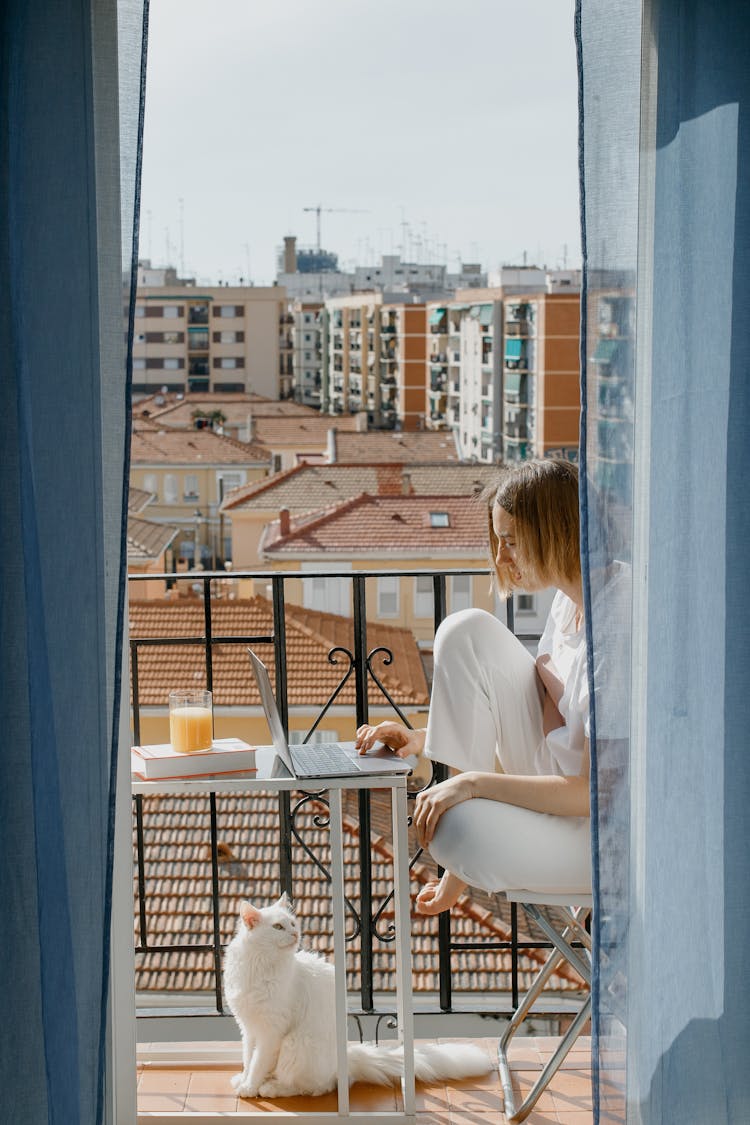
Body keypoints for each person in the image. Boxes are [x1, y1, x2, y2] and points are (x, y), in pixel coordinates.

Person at [355, 459, 593, 915]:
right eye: (500, 542)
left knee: (453, 829)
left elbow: (595, 795)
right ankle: (456, 860)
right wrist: (426, 741)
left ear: (557, 532)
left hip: (595, 829)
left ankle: (456, 862)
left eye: (513, 543)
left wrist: (473, 786)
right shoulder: (568, 605)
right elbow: (539, 718)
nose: (503, 559)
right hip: (550, 779)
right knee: (465, 629)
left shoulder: (618, 629)